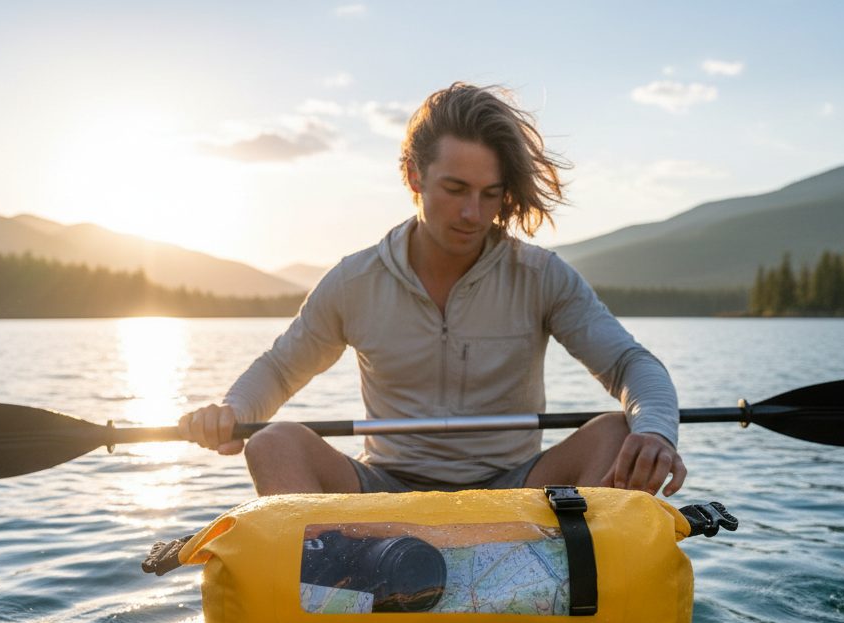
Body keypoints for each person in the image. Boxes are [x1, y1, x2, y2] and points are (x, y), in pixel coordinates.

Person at [180, 82, 686, 498]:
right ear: (413, 176)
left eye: (490, 194)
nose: (474, 214)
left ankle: (574, 590)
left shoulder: (541, 275)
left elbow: (630, 365)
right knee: (272, 444)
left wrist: (656, 431)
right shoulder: (354, 281)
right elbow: (279, 368)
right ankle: (335, 595)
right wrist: (232, 413)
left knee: (620, 432)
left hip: (516, 489)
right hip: (384, 488)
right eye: (456, 189)